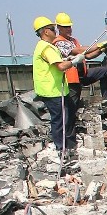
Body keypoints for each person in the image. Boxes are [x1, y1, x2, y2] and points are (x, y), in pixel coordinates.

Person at [32, 16, 82, 157]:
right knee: (59, 120)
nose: (55, 31)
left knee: (63, 117)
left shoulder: (46, 47)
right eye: (52, 28)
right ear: (45, 32)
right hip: (52, 91)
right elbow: (60, 66)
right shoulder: (46, 48)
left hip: (55, 90)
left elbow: (58, 63)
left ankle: (64, 145)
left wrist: (68, 60)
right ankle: (61, 149)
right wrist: (74, 61)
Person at [53, 12, 107, 108]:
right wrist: (98, 45)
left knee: (104, 71)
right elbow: (77, 50)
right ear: (58, 27)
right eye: (66, 27)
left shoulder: (73, 40)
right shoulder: (59, 42)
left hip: (82, 74)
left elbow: (88, 55)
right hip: (71, 78)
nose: (69, 29)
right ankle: (70, 121)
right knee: (72, 106)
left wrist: (101, 50)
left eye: (69, 26)